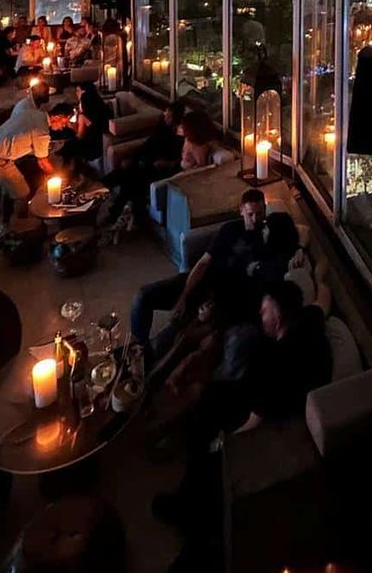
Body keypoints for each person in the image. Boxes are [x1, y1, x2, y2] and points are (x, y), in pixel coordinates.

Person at [150, 277, 332, 573]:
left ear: (277, 315)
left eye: (264, 310)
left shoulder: (279, 363)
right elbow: (324, 297)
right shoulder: (308, 321)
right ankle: (184, 498)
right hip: (266, 405)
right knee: (205, 401)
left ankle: (197, 557)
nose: (260, 316)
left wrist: (221, 446)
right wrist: (320, 270)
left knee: (209, 463)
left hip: (281, 429)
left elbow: (254, 423)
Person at [131, 190, 298, 365]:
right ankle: (137, 348)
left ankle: (141, 362)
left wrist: (299, 248)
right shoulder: (230, 229)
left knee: (163, 343)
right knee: (143, 296)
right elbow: (203, 263)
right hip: (201, 281)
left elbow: (293, 237)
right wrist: (184, 296)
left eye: (259, 214)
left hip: (222, 298)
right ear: (241, 210)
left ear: (265, 211)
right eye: (250, 214)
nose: (254, 219)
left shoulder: (268, 239)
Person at [103, 100, 187, 229]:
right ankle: (106, 198)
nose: (165, 117)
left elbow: (179, 160)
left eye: (168, 116)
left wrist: (167, 163)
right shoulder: (163, 128)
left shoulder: (182, 137)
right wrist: (132, 157)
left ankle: (112, 209)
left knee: (130, 180)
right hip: (145, 163)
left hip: (159, 170)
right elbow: (148, 145)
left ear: (176, 119)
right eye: (165, 114)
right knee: (127, 176)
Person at [0, 96, 70, 202]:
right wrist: (57, 177)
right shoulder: (41, 130)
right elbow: (43, 162)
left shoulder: (32, 113)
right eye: (64, 123)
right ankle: (20, 215)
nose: (63, 127)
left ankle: (4, 195)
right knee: (23, 193)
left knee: (19, 183)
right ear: (57, 117)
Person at [58, 82, 111, 171]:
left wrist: (71, 126)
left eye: (79, 91)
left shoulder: (84, 116)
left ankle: (69, 170)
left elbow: (79, 136)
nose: (76, 93)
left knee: (70, 144)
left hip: (93, 147)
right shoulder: (101, 108)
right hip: (101, 142)